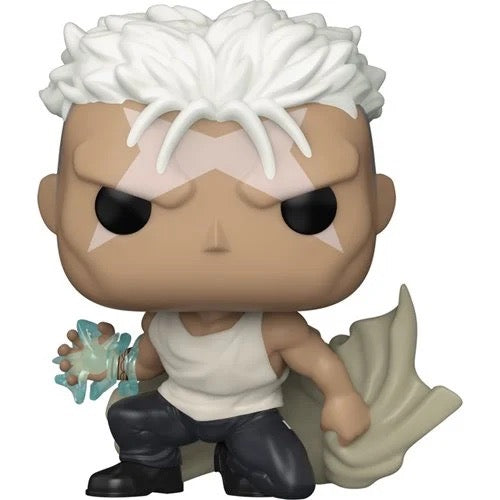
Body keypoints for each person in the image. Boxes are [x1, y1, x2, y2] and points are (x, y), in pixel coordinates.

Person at [38, 2, 396, 498]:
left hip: (251, 418)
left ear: (379, 206)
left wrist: (343, 399)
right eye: (125, 210)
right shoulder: (161, 324)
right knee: (129, 416)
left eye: (307, 209)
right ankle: (153, 468)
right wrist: (107, 364)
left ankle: (236, 461)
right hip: (176, 410)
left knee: (292, 483)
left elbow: (320, 365)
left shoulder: (275, 329)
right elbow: (146, 364)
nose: (215, 240)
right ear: (52, 206)